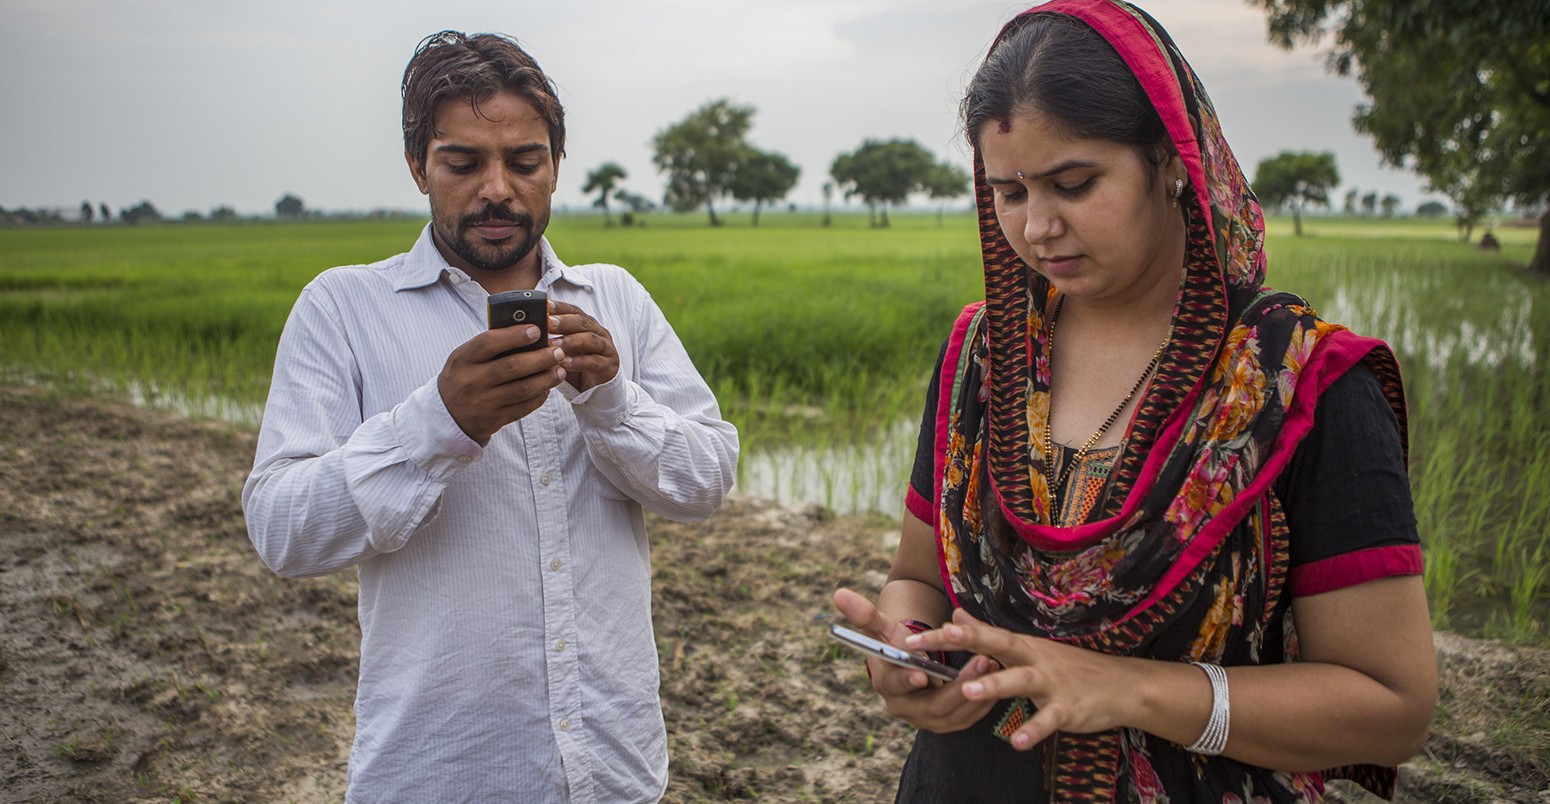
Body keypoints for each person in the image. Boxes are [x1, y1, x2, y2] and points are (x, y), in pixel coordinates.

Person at [832, 1, 1437, 800]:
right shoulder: (983, 357)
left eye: (1074, 184)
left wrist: (1127, 689)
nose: (1039, 227)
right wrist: (911, 649)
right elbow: (920, 578)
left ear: (1172, 160)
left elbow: (1394, 705)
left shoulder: (1298, 385)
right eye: (1009, 193)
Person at [242, 30, 738, 802]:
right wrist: (439, 423)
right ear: (419, 167)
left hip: (613, 769)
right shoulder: (343, 308)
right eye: (463, 162)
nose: (498, 189)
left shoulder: (616, 301)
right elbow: (280, 530)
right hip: (439, 771)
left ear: (555, 167)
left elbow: (707, 482)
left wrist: (610, 400)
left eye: (525, 162)